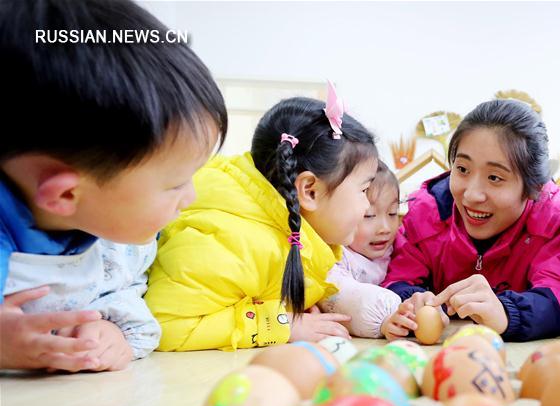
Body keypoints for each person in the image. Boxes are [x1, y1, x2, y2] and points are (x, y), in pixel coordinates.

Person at [0, 0, 227, 371]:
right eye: (174, 184)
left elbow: (124, 290)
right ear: (66, 194)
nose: (191, 197)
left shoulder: (111, 231)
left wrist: (113, 331)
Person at [146, 89, 379, 349]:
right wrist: (282, 324)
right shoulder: (234, 242)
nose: (368, 205)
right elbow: (165, 325)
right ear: (309, 191)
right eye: (364, 190)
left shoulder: (292, 233)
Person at [381, 99, 560, 341]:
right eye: (462, 169)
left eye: (494, 177)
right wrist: (410, 301)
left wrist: (507, 313)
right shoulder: (428, 211)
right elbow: (396, 279)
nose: (472, 195)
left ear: (533, 186)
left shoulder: (554, 219)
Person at [319, 161, 404, 338]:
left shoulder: (398, 246)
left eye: (393, 213)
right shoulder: (336, 256)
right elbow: (344, 297)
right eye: (369, 215)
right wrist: (383, 320)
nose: (385, 228)